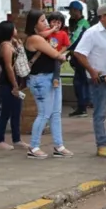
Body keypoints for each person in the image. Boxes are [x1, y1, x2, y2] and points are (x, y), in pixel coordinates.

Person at [73, 4, 106, 157]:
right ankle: (101, 144)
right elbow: (79, 53)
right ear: (102, 17)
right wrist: (91, 70)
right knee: (100, 112)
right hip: (98, 79)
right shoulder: (92, 33)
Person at [24, 10, 74, 159]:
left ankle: (59, 146)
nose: (46, 23)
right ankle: (33, 147)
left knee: (55, 113)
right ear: (34, 25)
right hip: (41, 80)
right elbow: (55, 54)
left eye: (45, 20)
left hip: (52, 78)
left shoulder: (45, 37)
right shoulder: (35, 39)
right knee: (44, 113)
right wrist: (62, 56)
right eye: (42, 21)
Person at [0, 22, 29, 151]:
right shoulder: (5, 46)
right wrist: (14, 85)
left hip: (16, 81)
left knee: (16, 111)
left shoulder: (12, 43)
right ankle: (0, 140)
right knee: (6, 112)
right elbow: (9, 67)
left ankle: (17, 139)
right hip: (7, 83)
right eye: (14, 28)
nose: (16, 29)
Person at [66, 1, 91, 117]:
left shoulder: (82, 24)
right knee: (83, 80)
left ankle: (82, 107)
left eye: (71, 10)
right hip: (79, 56)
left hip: (81, 57)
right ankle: (84, 104)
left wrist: (63, 48)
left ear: (76, 11)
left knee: (79, 82)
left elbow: (73, 41)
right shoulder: (76, 23)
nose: (69, 13)